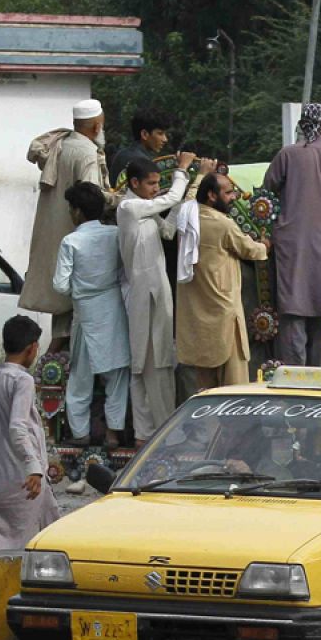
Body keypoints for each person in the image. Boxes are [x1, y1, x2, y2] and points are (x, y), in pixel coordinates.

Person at [262, 103, 321, 366]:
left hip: (291, 248)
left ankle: (295, 383)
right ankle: (314, 380)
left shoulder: (287, 155)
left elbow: (265, 196)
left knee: (293, 314)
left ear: (302, 124)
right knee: (317, 314)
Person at [118, 152, 197, 443]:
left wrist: (185, 201)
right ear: (135, 183)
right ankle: (157, 435)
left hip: (155, 291)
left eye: (156, 183)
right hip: (143, 295)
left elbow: (167, 230)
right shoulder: (129, 207)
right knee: (148, 365)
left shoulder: (144, 209)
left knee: (157, 364)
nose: (155, 188)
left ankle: (152, 433)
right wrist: (181, 171)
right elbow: (166, 200)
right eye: (151, 183)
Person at [23, 99, 110, 347]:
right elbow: (93, 199)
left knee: (61, 326)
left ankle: (52, 380)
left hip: (57, 244)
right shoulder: (87, 154)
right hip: (80, 248)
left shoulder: (62, 145)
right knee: (74, 332)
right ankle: (55, 378)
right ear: (96, 127)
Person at [51, 181, 129, 447]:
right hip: (114, 309)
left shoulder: (71, 241)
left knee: (80, 379)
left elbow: (60, 285)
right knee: (117, 376)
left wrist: (82, 287)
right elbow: (124, 271)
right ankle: (113, 433)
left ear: (76, 211)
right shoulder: (115, 234)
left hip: (85, 313)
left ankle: (80, 433)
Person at [0, 317, 61, 550]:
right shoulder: (23, 380)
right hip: (23, 478)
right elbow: (18, 426)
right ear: (32, 348)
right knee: (33, 541)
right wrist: (33, 467)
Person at [180, 173, 269, 392]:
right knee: (234, 389)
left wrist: (200, 174)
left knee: (206, 389)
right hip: (225, 317)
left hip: (199, 320)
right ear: (211, 195)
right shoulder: (222, 224)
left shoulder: (187, 215)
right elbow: (250, 250)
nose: (233, 197)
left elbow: (189, 198)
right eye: (228, 192)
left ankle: (208, 428)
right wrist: (266, 244)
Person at [108, 109, 172, 189]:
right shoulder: (140, 161)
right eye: (160, 133)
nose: (165, 139)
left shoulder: (123, 153)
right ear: (144, 134)